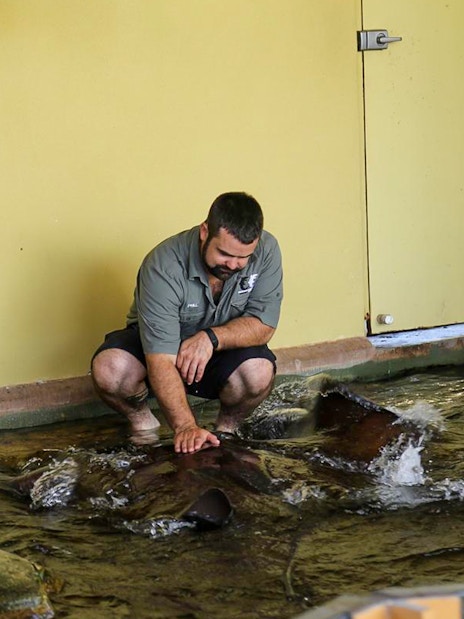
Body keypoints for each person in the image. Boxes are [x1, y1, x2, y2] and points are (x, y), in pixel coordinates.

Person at [91, 192, 283, 453]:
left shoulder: (267, 250)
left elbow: (263, 326)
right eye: (225, 253)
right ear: (205, 231)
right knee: (110, 369)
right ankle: (145, 425)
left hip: (218, 349)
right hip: (159, 351)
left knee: (259, 371)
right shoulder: (162, 265)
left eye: (243, 257)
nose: (234, 265)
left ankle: (226, 431)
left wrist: (210, 339)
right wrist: (185, 428)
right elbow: (160, 359)